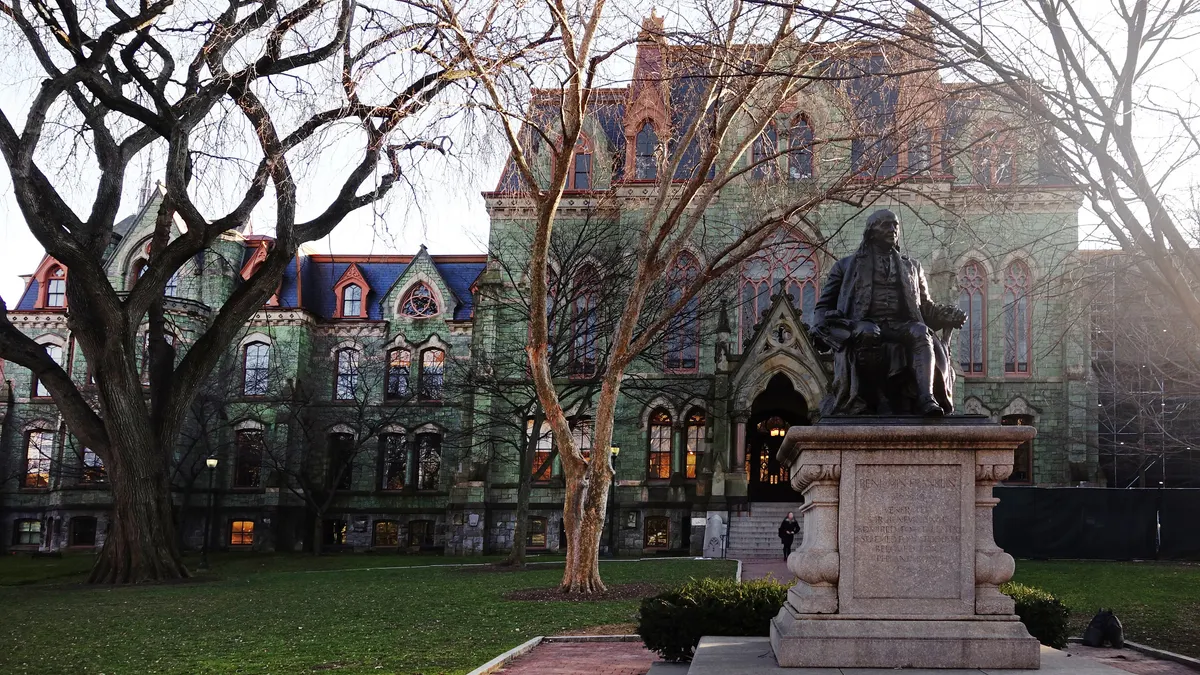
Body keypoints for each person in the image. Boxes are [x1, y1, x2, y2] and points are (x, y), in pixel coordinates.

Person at [812, 209, 966, 416]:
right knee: (868, 332)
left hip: (899, 324)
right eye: (886, 225)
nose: (892, 229)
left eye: (895, 225)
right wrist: (821, 329)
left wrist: (947, 315)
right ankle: (878, 398)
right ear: (871, 231)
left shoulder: (912, 267)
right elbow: (824, 305)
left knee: (920, 332)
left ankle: (926, 398)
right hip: (862, 324)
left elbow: (925, 308)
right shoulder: (845, 266)